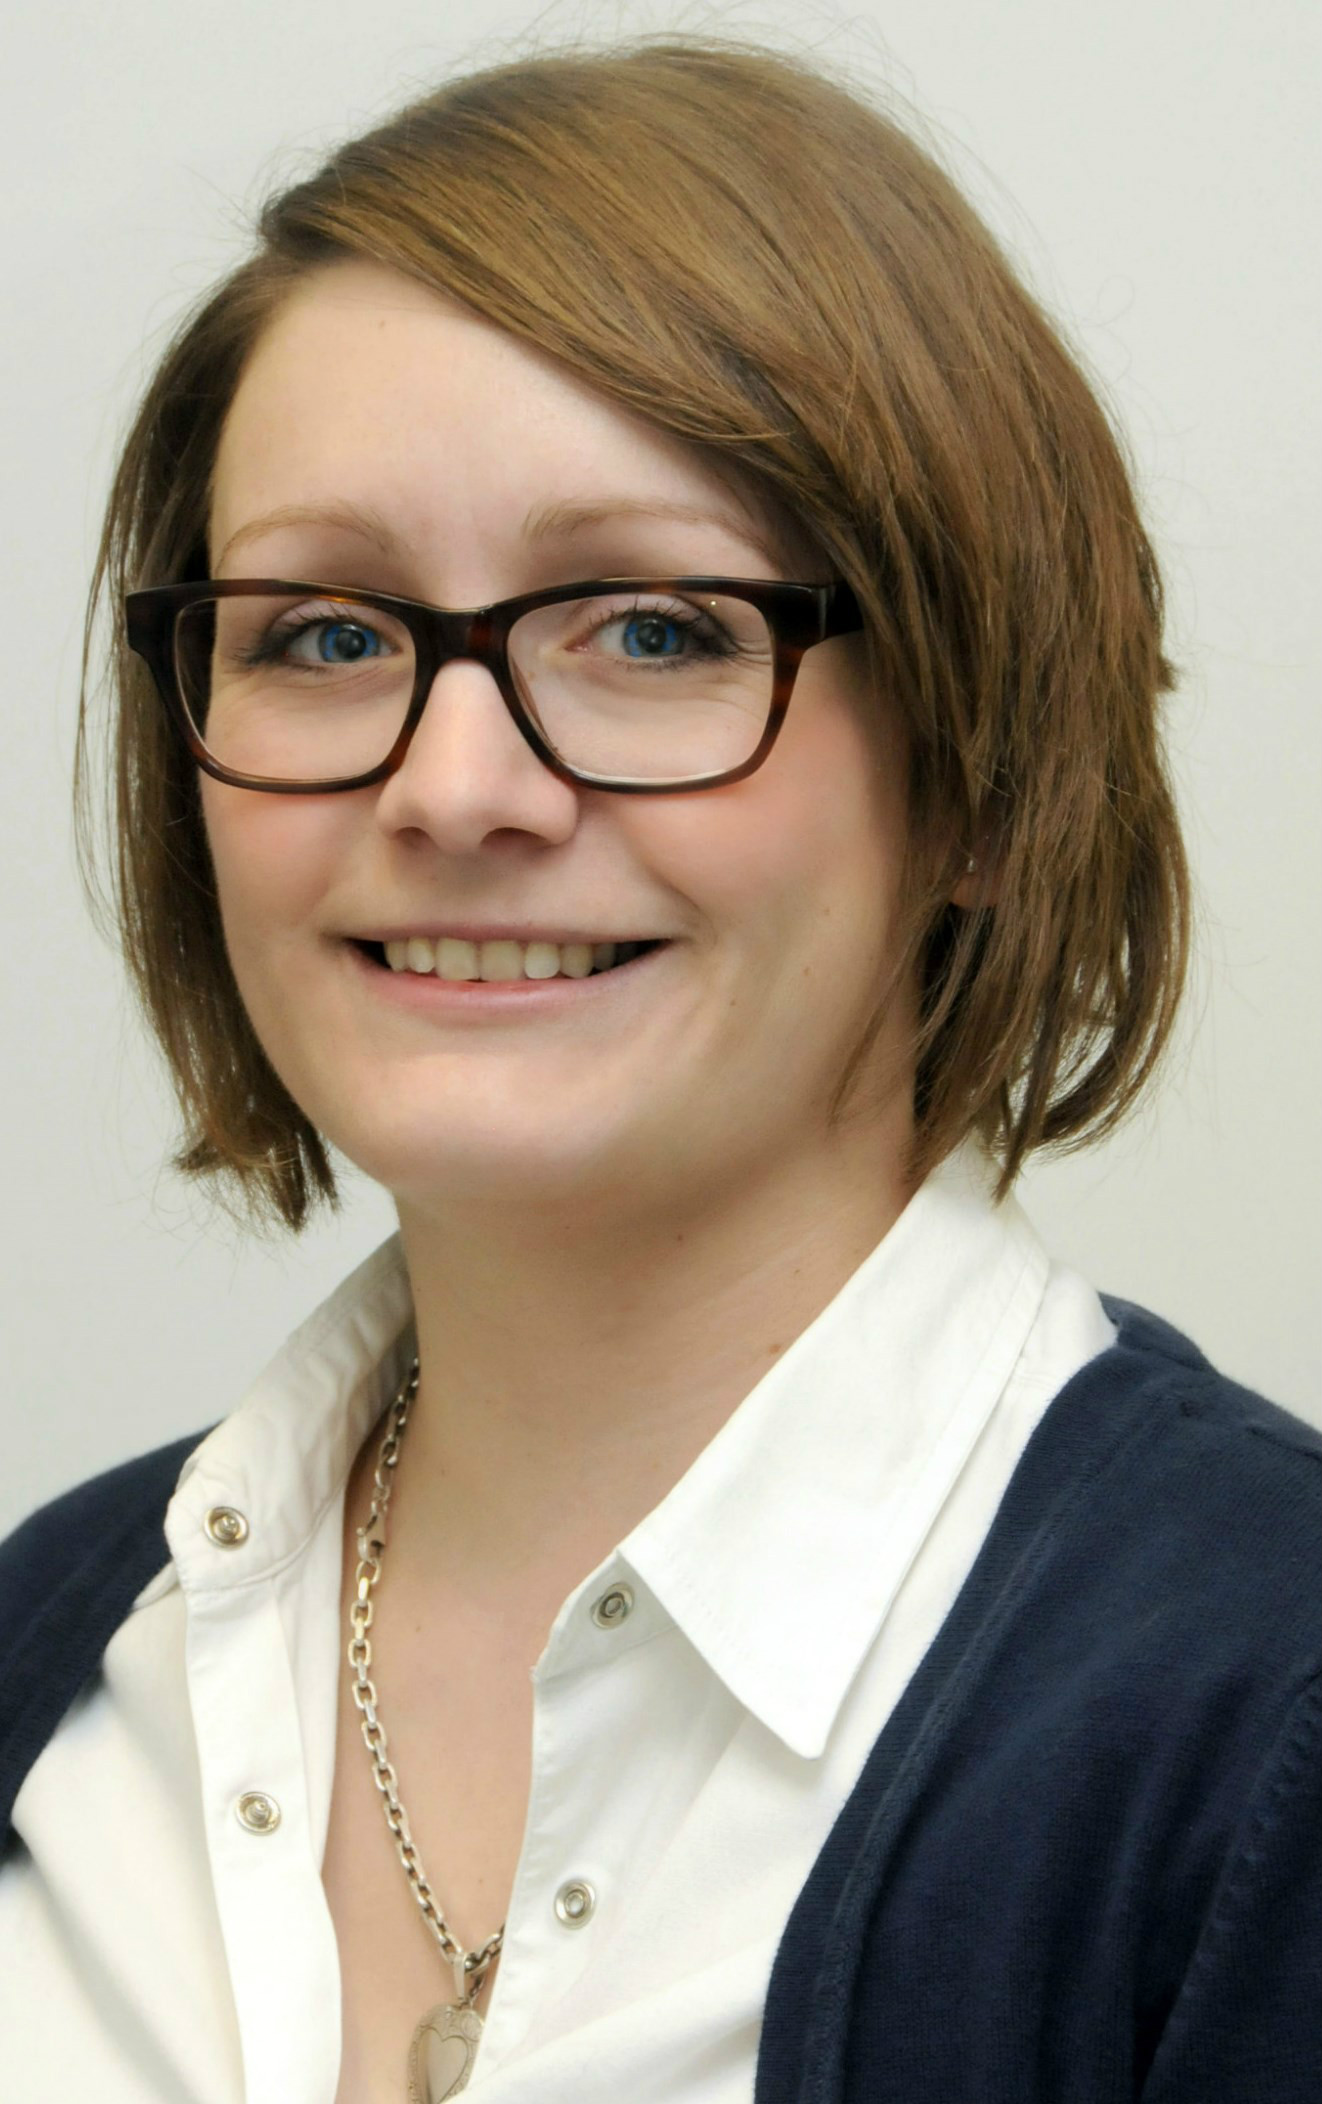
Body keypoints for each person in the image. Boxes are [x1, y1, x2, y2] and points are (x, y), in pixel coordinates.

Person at [0, 30, 1316, 2104]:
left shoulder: (1266, 1726)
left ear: (979, 767)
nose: (453, 787)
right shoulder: (52, 1656)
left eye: (652, 630)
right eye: (326, 633)